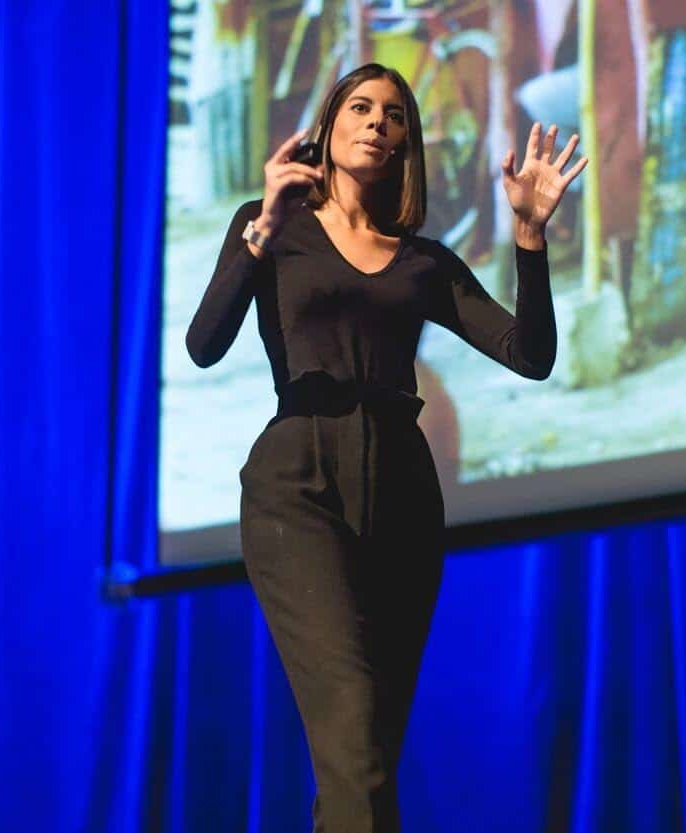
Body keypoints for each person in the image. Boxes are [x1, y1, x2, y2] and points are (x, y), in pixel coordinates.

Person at [185, 63, 586, 833]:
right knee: (354, 722)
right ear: (328, 130)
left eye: (394, 114)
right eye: (361, 108)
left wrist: (529, 240)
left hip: (402, 491)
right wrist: (263, 223)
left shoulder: (422, 260)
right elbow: (204, 344)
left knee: (366, 751)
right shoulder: (278, 229)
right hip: (296, 484)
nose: (377, 122)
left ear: (407, 143)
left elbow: (529, 354)